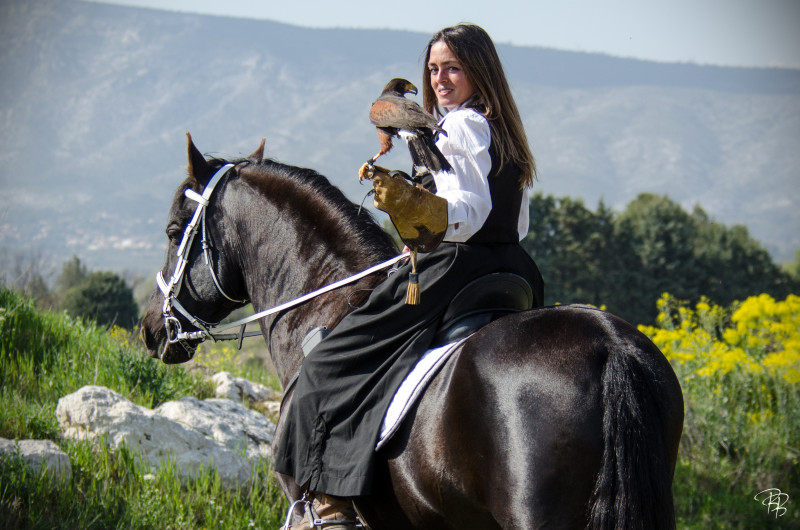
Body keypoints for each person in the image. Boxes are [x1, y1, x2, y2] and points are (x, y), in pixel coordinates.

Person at [275, 23, 545, 530]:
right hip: (513, 268)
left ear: (478, 71)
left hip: (451, 268)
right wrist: (423, 221)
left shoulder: (460, 126)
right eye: (434, 68)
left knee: (327, 365)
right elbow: (517, 222)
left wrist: (423, 215)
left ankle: (329, 503)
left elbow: (473, 208)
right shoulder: (504, 129)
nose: (440, 78)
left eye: (453, 68)